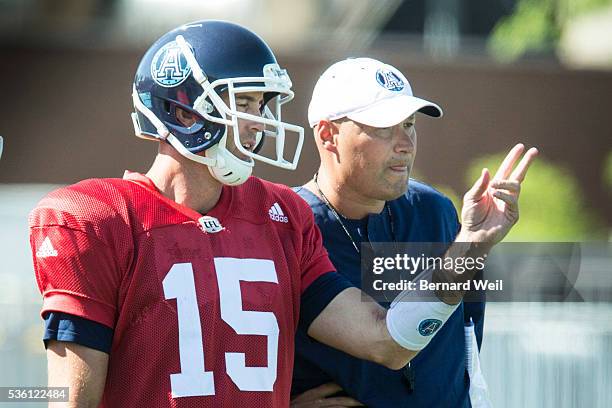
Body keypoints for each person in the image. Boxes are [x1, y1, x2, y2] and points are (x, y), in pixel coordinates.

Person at [29, 21, 499, 407]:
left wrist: (472, 244)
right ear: (185, 111)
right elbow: (66, 399)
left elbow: (387, 342)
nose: (260, 122)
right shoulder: (97, 217)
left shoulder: (283, 214)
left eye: (262, 104)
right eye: (245, 103)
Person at [291, 57, 538, 407]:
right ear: (329, 135)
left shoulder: (435, 210)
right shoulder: (287, 226)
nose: (405, 143)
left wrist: (474, 242)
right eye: (383, 127)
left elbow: (466, 347)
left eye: (409, 124)